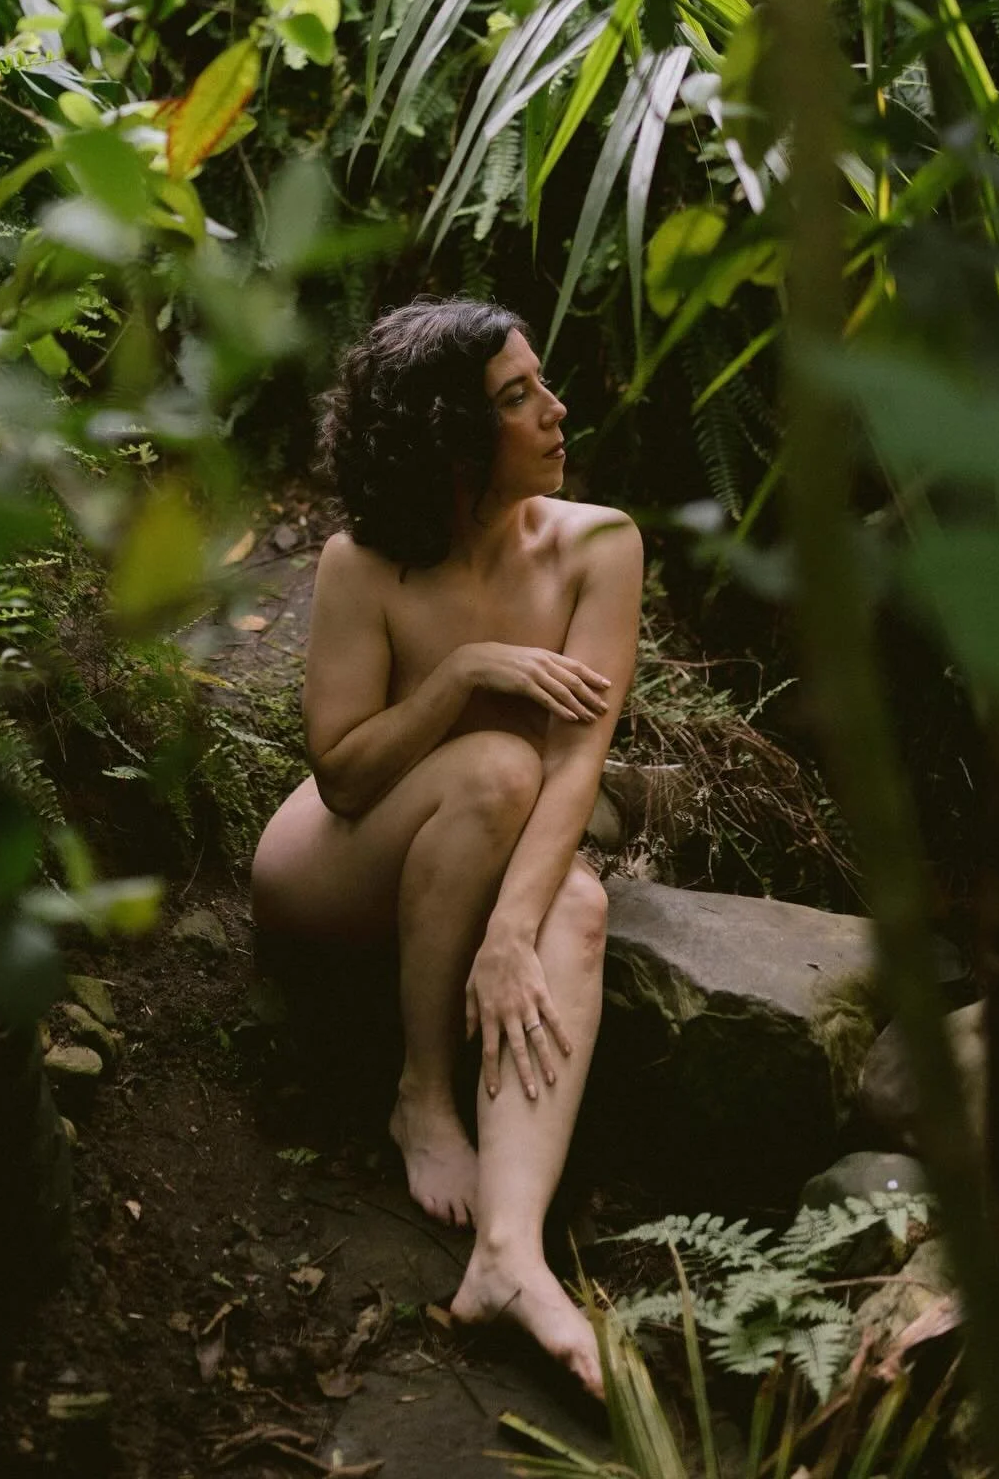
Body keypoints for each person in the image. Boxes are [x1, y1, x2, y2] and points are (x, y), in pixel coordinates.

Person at [251, 297, 643, 1396]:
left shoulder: (600, 545)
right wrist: (467, 672)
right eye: (519, 399)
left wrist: (512, 932)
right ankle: (423, 1088)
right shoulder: (361, 565)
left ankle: (511, 1255)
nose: (557, 412)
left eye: (540, 385)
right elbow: (344, 774)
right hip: (339, 865)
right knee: (494, 765)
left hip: (486, 850)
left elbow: (581, 763)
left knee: (577, 911)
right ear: (452, 443)